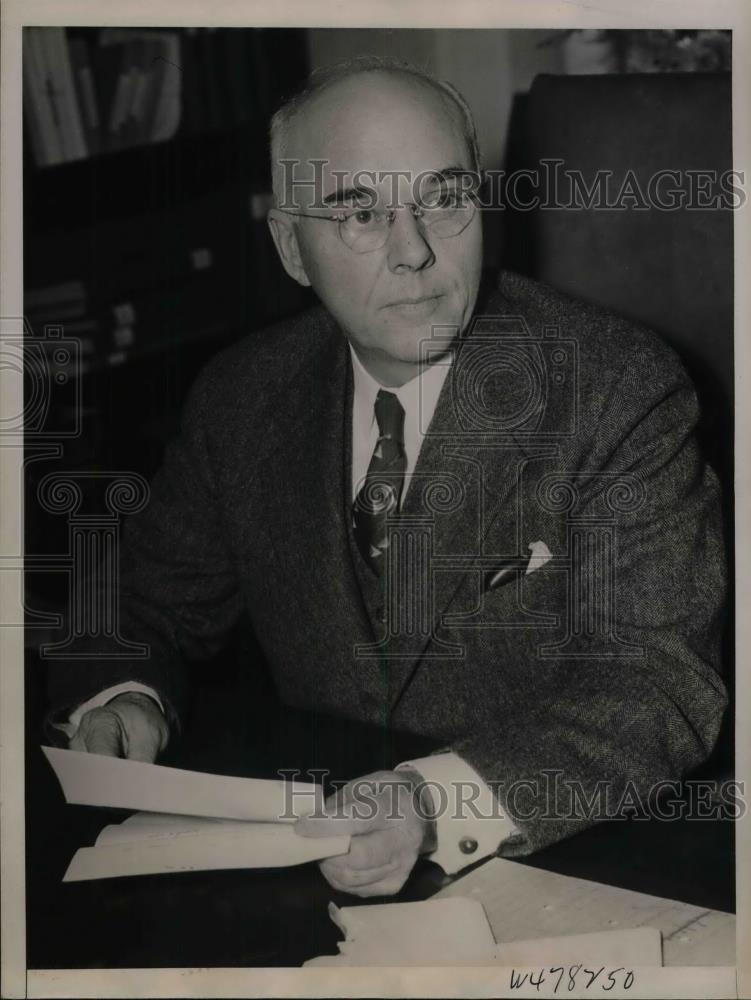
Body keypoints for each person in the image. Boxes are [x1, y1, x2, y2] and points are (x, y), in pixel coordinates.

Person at [47, 57, 728, 898]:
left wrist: (427, 801)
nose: (413, 253)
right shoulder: (244, 396)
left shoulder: (613, 387)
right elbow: (141, 601)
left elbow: (656, 684)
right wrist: (123, 695)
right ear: (292, 248)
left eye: (443, 199)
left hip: (574, 864)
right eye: (359, 213)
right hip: (318, 863)